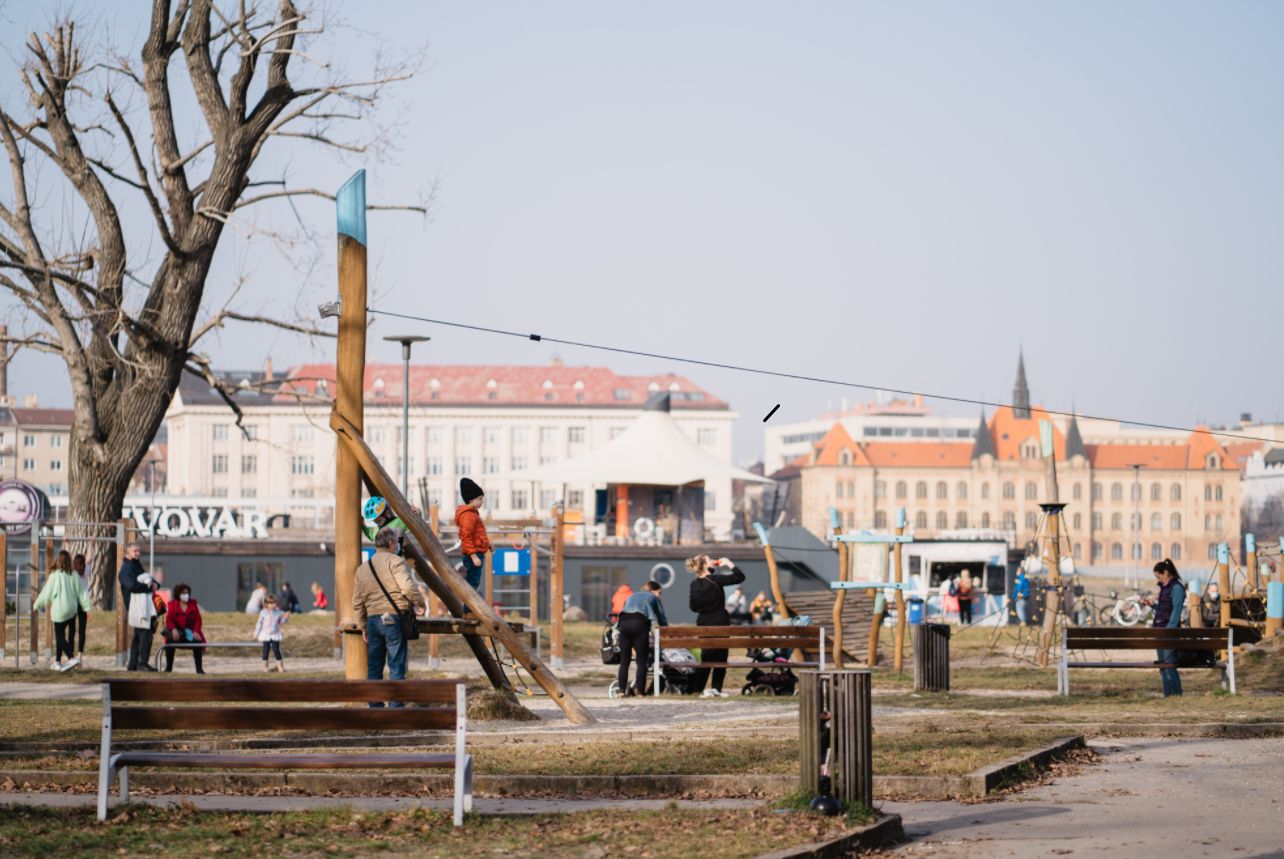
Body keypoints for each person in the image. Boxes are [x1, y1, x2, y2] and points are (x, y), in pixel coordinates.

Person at [355, 527, 428, 706]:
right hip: (392, 619)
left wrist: (362, 625)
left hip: (372, 621)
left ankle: (375, 707)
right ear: (390, 543)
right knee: (396, 666)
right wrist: (421, 603)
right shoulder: (395, 561)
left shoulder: (363, 568)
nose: (397, 545)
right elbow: (407, 588)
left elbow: (357, 601)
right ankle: (396, 708)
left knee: (374, 667)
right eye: (396, 542)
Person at [686, 554, 746, 698]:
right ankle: (716, 689)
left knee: (706, 657)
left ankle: (697, 690)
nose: (713, 560)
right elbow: (740, 577)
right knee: (720, 657)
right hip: (720, 621)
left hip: (703, 623)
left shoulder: (694, 584)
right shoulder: (716, 580)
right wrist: (729, 563)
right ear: (705, 565)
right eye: (709, 559)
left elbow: (693, 607)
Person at [33, 550, 91, 671]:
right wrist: (87, 607)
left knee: (59, 637)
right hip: (72, 611)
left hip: (60, 611)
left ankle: (72, 658)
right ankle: (58, 662)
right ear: (69, 561)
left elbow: (46, 593)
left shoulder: (55, 575)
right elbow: (81, 593)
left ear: (58, 561)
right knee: (64, 637)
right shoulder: (74, 575)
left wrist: (37, 604)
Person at [1141, 559, 1186, 697]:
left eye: (1159, 576)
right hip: (1160, 631)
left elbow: (1176, 612)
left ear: (1166, 572)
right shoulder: (1165, 588)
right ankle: (1168, 695)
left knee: (1169, 666)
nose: (1158, 580)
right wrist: (1152, 605)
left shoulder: (1177, 588)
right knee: (1163, 666)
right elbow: (1164, 610)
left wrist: (1168, 631)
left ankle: (1176, 695)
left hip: (1168, 633)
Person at [617, 580, 668, 697]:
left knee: (624, 661)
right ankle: (640, 692)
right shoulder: (653, 597)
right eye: (659, 593)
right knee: (641, 661)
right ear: (652, 591)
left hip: (624, 623)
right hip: (639, 623)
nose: (659, 595)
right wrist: (666, 630)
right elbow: (661, 616)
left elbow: (624, 608)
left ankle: (621, 691)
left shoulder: (632, 595)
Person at [119, 542, 158, 672]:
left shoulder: (136, 565)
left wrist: (156, 583)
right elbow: (131, 585)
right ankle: (143, 662)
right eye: (135, 551)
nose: (138, 553)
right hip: (137, 606)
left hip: (141, 604)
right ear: (127, 553)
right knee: (146, 633)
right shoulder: (126, 568)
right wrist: (148, 587)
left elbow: (148, 578)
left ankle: (133, 665)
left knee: (138, 635)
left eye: (139, 551)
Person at [455, 478, 491, 593]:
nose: (482, 501)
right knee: (472, 583)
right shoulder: (468, 516)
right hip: (473, 555)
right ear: (471, 499)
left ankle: (468, 610)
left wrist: (488, 545)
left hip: (476, 552)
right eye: (479, 499)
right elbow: (466, 537)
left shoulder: (473, 514)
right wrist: (473, 556)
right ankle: (468, 610)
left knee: (474, 582)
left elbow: (478, 534)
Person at [164, 583, 206, 673]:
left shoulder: (193, 604)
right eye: (183, 593)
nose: (186, 595)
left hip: (190, 633)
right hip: (177, 634)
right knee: (170, 642)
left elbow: (198, 620)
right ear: (178, 594)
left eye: (187, 593)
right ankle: (168, 667)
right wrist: (174, 629)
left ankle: (199, 669)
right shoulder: (172, 605)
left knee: (198, 642)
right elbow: (169, 620)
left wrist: (196, 631)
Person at [254, 593, 290, 672]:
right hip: (266, 634)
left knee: (276, 650)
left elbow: (281, 622)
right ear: (266, 604)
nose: (273, 605)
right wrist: (256, 633)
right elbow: (259, 623)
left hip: (275, 634)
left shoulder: (278, 612)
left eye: (274, 603)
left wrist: (286, 618)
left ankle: (280, 666)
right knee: (265, 650)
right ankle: (265, 667)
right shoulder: (263, 613)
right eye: (271, 603)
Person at [72, 552, 91, 662]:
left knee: (72, 629)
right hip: (83, 603)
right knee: (82, 629)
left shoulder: (72, 571)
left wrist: (66, 543)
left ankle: (71, 654)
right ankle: (80, 654)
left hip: (73, 601)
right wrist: (91, 544)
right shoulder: (86, 570)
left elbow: (68, 557)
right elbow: (90, 558)